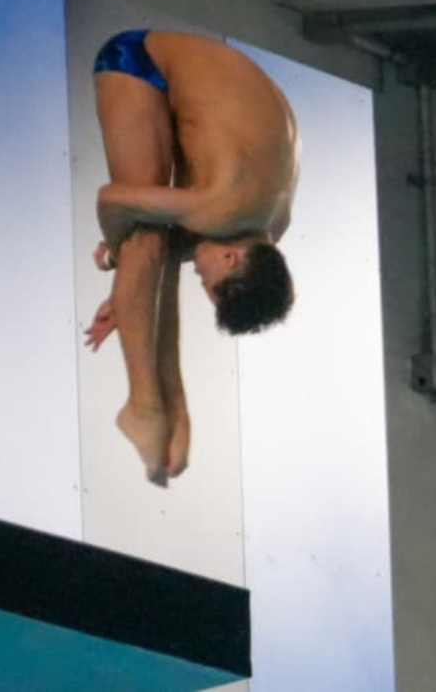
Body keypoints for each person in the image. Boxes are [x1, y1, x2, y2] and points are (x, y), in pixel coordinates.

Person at [85, 30, 298, 486]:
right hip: (139, 61)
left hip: (204, 84)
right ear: (231, 259)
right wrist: (117, 256)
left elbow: (172, 255)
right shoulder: (222, 206)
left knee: (153, 246)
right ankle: (145, 405)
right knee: (144, 237)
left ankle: (173, 407)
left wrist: (129, 297)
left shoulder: (269, 227)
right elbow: (112, 202)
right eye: (210, 286)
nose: (200, 280)